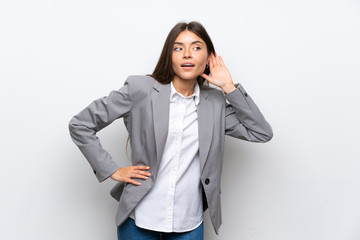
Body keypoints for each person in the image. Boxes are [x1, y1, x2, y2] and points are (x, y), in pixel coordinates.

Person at [69, 21, 273, 240]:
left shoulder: (215, 103)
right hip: (139, 218)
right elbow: (80, 124)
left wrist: (229, 88)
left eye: (196, 47)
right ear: (170, 56)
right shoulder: (141, 90)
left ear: (208, 59)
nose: (187, 54)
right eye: (178, 48)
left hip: (189, 221)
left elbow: (261, 132)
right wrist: (112, 170)